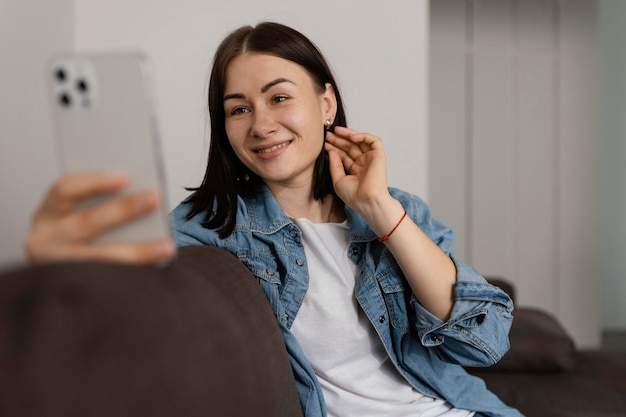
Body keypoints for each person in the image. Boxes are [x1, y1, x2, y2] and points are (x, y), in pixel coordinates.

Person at [26, 22, 522, 417]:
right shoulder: (207, 227)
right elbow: (132, 327)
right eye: (238, 109)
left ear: (325, 104)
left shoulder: (398, 209)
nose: (261, 124)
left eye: (279, 97)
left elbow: (483, 342)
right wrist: (61, 277)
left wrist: (379, 211)